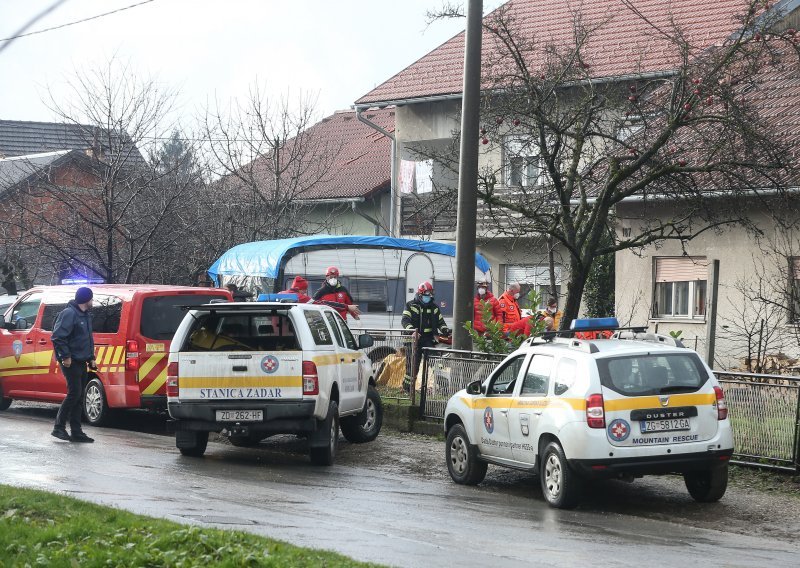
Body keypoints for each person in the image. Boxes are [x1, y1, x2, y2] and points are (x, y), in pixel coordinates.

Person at [50, 287, 97, 443]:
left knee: (79, 396)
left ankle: (76, 432)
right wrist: (65, 356)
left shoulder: (85, 315)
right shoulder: (69, 314)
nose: (92, 301)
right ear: (86, 299)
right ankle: (59, 427)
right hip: (70, 361)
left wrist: (91, 358)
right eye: (91, 298)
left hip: (81, 360)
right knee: (74, 393)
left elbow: (87, 339)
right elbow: (58, 337)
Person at [401, 281, 449, 392]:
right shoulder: (410, 305)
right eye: (427, 294)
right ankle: (407, 389)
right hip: (412, 340)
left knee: (436, 362)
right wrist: (412, 331)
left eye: (430, 294)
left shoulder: (434, 308)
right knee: (412, 365)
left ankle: (443, 388)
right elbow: (405, 320)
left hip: (427, 339)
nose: (429, 297)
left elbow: (440, 322)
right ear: (420, 294)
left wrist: (445, 330)